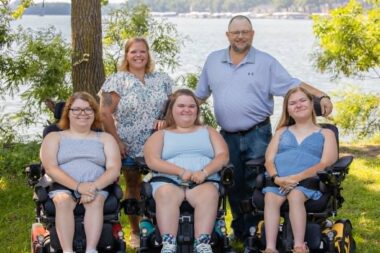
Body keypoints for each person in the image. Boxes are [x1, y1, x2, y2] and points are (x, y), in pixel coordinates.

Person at [194, 15, 334, 247]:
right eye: (236, 32)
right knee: (232, 183)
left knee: (258, 181)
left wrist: (321, 95)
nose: (240, 36)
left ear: (252, 34)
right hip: (226, 135)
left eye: (245, 31)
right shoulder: (213, 61)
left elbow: (293, 84)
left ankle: (259, 230)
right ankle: (240, 230)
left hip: (257, 133)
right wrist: (171, 116)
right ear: (227, 35)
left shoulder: (265, 62)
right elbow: (199, 96)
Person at [98, 37, 174, 248]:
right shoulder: (117, 80)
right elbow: (104, 113)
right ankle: (135, 231)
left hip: (160, 144)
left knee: (162, 185)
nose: (138, 55)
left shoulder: (162, 79)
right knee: (133, 186)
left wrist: (167, 120)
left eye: (142, 51)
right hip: (129, 144)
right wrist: (117, 141)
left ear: (148, 54)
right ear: (127, 55)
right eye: (133, 52)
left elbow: (174, 105)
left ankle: (162, 228)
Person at [144, 89, 229, 253]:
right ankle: (168, 244)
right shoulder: (161, 134)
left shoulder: (208, 131)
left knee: (209, 194)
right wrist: (180, 171)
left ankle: (202, 243)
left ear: (197, 110)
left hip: (203, 179)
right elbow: (152, 160)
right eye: (181, 105)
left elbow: (223, 156)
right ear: (172, 109)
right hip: (168, 180)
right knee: (165, 194)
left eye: (191, 106)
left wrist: (204, 172)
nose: (186, 109)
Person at [40, 92, 121, 253]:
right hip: (62, 185)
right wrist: (78, 187)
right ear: (68, 112)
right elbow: (50, 167)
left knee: (95, 202)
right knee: (62, 202)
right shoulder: (54, 137)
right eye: (76, 109)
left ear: (94, 113)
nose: (82, 114)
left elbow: (114, 169)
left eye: (88, 109)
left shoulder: (105, 138)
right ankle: (68, 250)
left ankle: (91, 249)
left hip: (96, 185)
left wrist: (92, 187)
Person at [262, 86, 338, 253]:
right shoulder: (281, 132)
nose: (298, 105)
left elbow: (326, 162)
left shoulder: (326, 133)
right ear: (287, 110)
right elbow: (269, 159)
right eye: (292, 103)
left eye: (302, 100)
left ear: (312, 104)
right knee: (270, 198)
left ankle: (299, 246)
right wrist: (276, 178)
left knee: (295, 195)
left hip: (307, 181)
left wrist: (297, 178)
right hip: (279, 181)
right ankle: (270, 248)